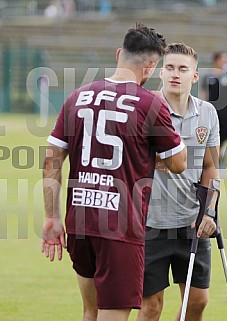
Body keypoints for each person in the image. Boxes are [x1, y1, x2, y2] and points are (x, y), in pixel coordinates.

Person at [40, 23, 187, 321]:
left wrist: (52, 216)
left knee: (90, 312)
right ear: (150, 67)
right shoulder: (150, 104)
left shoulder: (76, 97)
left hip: (79, 219)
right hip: (119, 226)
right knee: (112, 316)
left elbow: (51, 160)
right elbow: (178, 163)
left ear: (119, 54)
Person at [137, 43, 220, 321]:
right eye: (170, 68)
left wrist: (208, 212)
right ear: (161, 73)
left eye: (183, 69)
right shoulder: (145, 109)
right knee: (151, 307)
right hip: (150, 225)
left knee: (196, 303)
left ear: (194, 77)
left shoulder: (207, 113)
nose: (176, 74)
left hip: (191, 226)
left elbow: (210, 168)